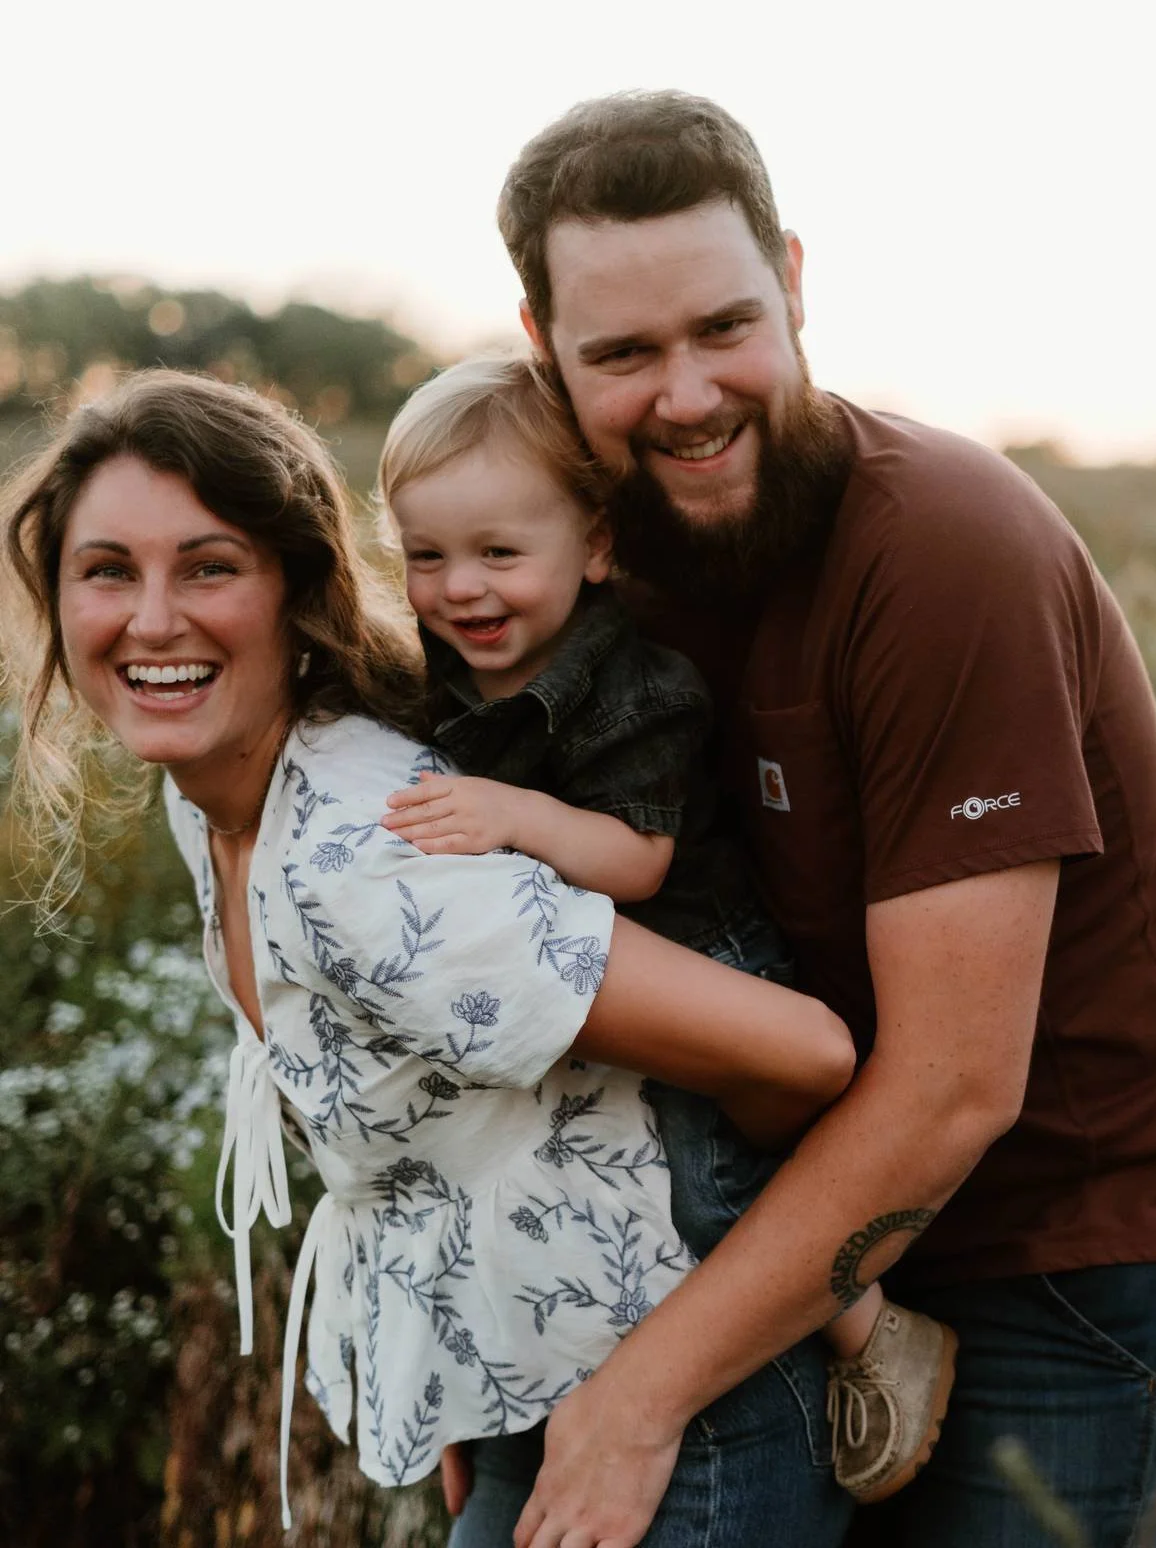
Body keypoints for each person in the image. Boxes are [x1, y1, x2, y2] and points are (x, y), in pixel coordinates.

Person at [485, 90, 1156, 1548]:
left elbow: (953, 1089)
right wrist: (501, 1378)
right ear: (541, 345)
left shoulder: (945, 549)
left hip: (1059, 1262)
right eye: (624, 352)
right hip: (791, 1249)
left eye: (723, 328)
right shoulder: (599, 564)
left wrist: (632, 1402)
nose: (686, 394)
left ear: (795, 284)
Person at [0, 368, 866, 1544]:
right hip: (532, 1399)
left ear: (296, 593)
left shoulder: (373, 856)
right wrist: (469, 1373)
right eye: (108, 570)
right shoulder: (214, 792)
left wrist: (659, 1380)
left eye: (208, 567)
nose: (154, 621)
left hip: (683, 1424)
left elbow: (804, 1054)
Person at [374, 351, 957, 1511]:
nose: (462, 590)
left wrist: (512, 816)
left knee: (704, 1179)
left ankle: (873, 1331)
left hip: (700, 951)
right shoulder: (442, 675)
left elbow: (636, 858)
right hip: (588, 978)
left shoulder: (638, 685)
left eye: (499, 553)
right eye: (426, 556)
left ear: (593, 547)